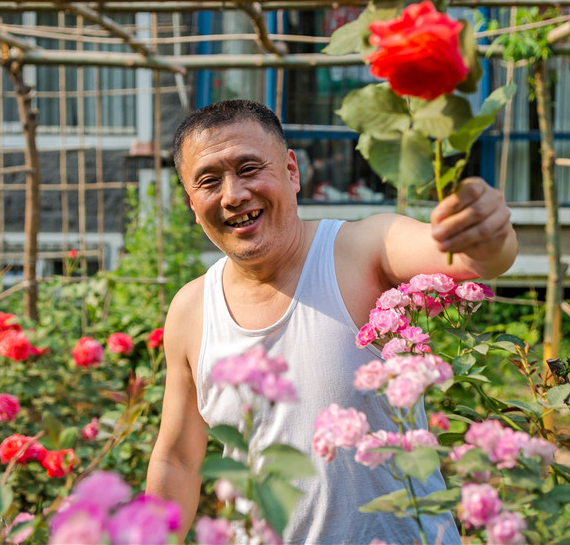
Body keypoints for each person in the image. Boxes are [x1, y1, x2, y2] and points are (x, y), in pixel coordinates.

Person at [146, 99, 518, 544]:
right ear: (191, 202)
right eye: (209, 181)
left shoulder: (360, 250)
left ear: (292, 171)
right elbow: (179, 461)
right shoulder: (192, 309)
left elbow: (472, 259)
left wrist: (486, 233)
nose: (233, 195)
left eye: (248, 169)